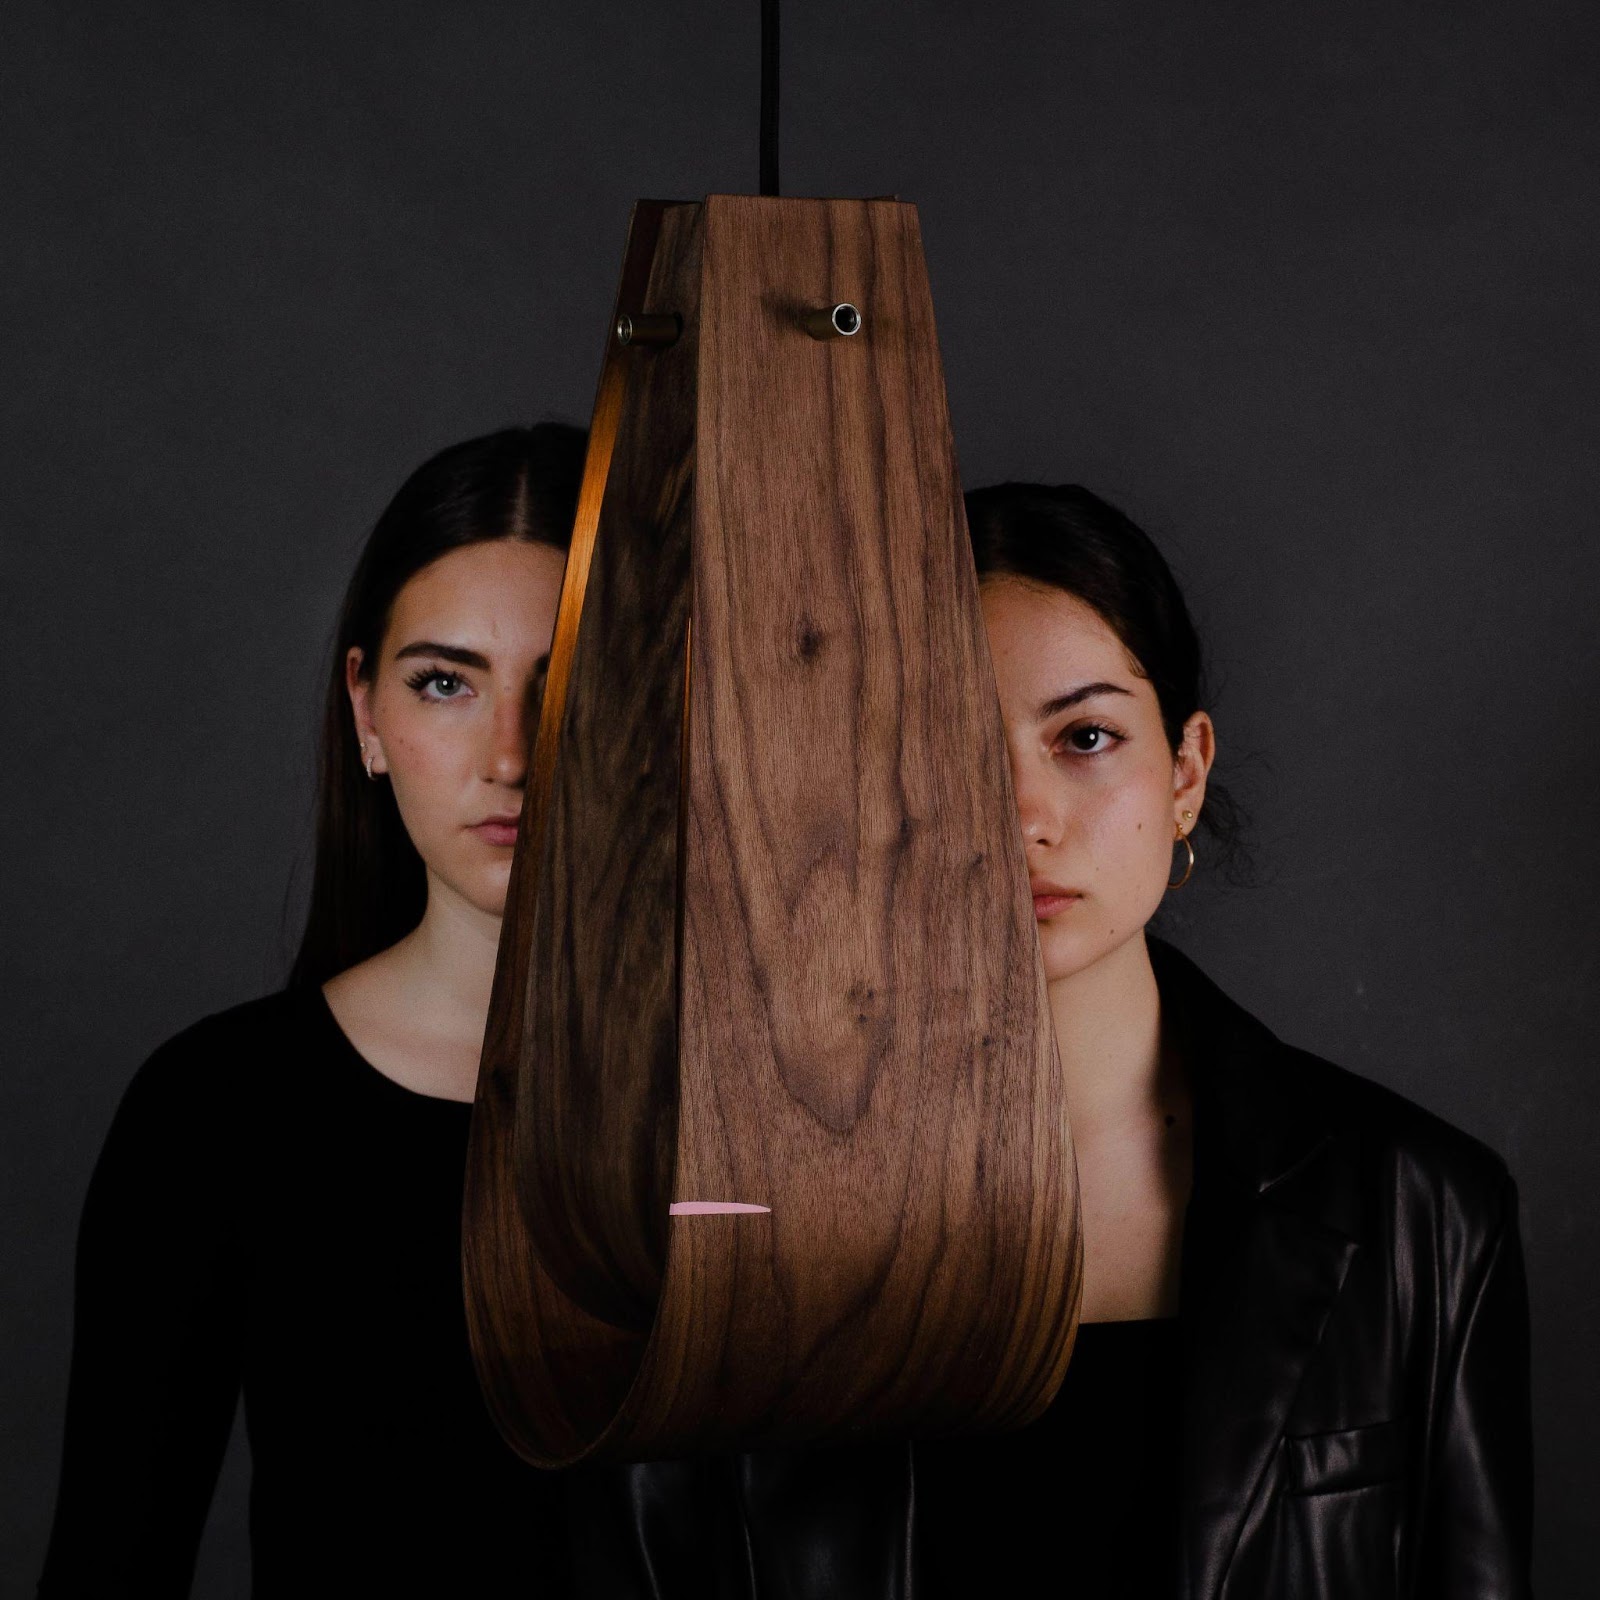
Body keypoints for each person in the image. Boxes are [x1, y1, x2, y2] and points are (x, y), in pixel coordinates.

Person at [604, 482, 1534, 1599]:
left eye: (1085, 738)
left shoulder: (1417, 1209)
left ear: (1184, 774)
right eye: (942, 739)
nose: (1022, 815)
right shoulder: (714, 1209)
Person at [38, 423, 595, 1597]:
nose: (509, 756)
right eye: (446, 683)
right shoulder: (214, 1112)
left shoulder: (779, 1108)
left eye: (573, 680)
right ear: (367, 715)